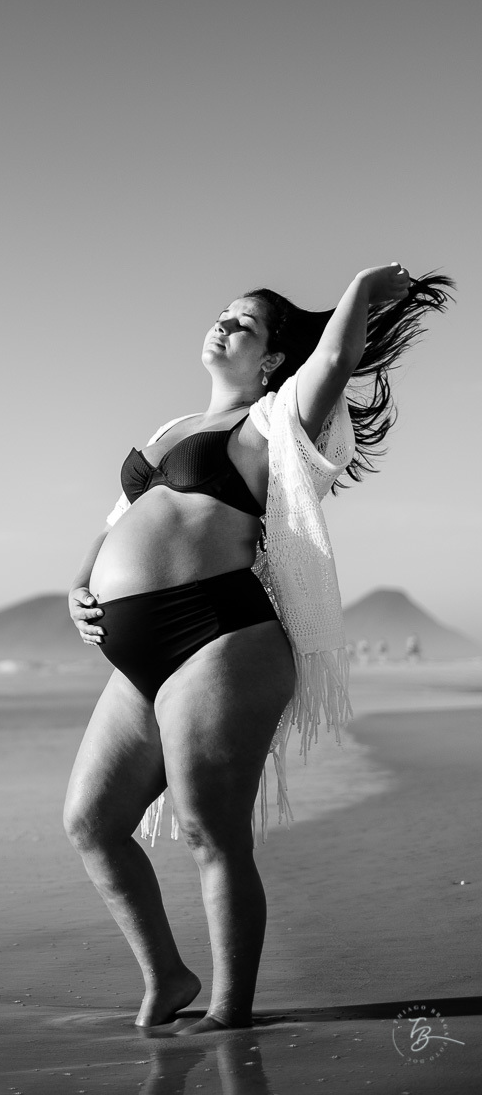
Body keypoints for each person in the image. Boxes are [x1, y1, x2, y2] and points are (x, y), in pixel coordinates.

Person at [63, 264, 453, 1035]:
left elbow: (335, 362)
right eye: (223, 315)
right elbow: (117, 523)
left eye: (246, 324)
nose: (225, 326)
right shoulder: (171, 432)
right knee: (90, 822)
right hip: (137, 658)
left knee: (212, 829)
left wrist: (364, 284)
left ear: (274, 360)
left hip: (219, 638)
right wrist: (77, 587)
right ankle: (168, 977)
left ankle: (232, 1011)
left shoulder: (276, 421)